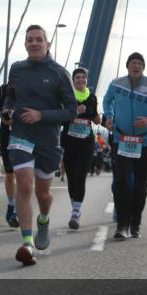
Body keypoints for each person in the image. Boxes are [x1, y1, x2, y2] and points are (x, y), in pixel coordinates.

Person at [3, 25, 77, 265]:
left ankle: (43, 219)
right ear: (25, 44)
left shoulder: (59, 73)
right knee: (23, 183)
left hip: (47, 141)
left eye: (39, 40)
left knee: (43, 194)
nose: (34, 43)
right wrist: (7, 110)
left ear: (48, 45)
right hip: (21, 135)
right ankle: (27, 243)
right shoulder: (16, 69)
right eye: (30, 40)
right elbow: (10, 96)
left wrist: (41, 115)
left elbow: (71, 111)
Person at [102, 52, 147, 239]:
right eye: (133, 62)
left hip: (143, 141)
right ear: (127, 66)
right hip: (120, 139)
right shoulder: (116, 84)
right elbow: (107, 101)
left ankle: (135, 224)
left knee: (141, 184)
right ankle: (122, 225)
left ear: (143, 67)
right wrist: (108, 116)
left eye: (140, 63)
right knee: (121, 181)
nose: (136, 66)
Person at [60, 67, 101, 230]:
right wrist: (75, 112)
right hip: (69, 141)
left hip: (86, 141)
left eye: (83, 78)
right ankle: (74, 206)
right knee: (71, 176)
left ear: (86, 80)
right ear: (72, 80)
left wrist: (99, 119)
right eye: (77, 78)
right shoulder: (67, 96)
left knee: (81, 175)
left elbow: (95, 117)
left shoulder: (92, 97)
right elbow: (61, 119)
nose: (80, 80)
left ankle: (76, 212)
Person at [0, 82, 18, 227]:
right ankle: (11, 204)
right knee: (10, 175)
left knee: (23, 174)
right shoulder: (3, 90)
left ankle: (17, 210)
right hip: (6, 136)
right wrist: (2, 115)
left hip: (26, 136)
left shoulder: (31, 85)